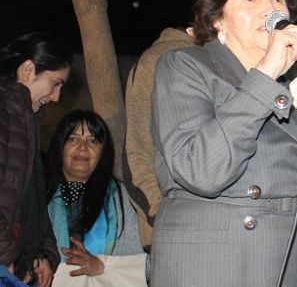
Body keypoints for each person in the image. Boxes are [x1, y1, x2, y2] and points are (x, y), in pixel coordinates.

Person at [149, 0, 297, 286]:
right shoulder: (184, 66)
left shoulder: (290, 89)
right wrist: (265, 75)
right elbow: (201, 170)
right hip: (212, 264)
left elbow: (289, 193)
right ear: (217, 19)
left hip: (283, 267)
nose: (268, 8)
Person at [0, 32, 72, 287]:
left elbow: (32, 202)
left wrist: (42, 254)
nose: (56, 97)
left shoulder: (27, 123)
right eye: (56, 83)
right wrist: (6, 254)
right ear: (28, 70)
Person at [44, 110, 144, 280]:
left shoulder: (120, 197)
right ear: (60, 145)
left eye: (92, 140)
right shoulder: (39, 192)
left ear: (103, 152)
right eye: (73, 139)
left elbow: (141, 262)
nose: (83, 147)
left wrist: (100, 265)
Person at [122, 27, 194, 252]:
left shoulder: (233, 63)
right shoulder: (158, 60)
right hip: (171, 238)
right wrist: (164, 215)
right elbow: (137, 151)